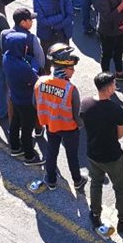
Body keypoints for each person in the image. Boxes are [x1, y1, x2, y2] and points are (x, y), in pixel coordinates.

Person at [81, 72, 123, 234]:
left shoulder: (86, 103)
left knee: (96, 183)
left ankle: (95, 213)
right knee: (120, 188)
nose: (116, 86)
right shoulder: (115, 109)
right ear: (109, 88)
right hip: (112, 155)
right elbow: (120, 134)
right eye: (114, 84)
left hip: (93, 153)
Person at [34, 43, 86, 190]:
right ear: (63, 69)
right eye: (71, 68)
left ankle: (50, 180)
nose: (73, 71)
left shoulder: (40, 82)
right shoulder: (71, 89)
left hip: (51, 126)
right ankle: (77, 180)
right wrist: (80, 125)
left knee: (51, 152)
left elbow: (35, 103)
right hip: (70, 128)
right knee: (72, 156)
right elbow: (77, 115)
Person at [2, 17, 43, 165]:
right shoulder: (22, 66)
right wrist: (34, 63)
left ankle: (15, 147)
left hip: (15, 96)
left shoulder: (7, 57)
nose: (26, 47)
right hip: (26, 100)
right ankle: (29, 156)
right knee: (27, 128)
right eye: (24, 45)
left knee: (15, 123)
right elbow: (35, 78)